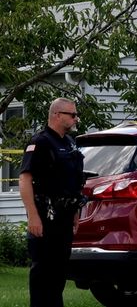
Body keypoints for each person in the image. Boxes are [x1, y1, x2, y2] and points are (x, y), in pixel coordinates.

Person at [19, 98, 85, 307]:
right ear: (57, 115)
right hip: (44, 216)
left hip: (64, 217)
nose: (76, 119)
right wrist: (33, 216)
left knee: (58, 272)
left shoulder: (70, 143)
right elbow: (25, 179)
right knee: (42, 273)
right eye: (72, 115)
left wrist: (75, 212)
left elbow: (73, 181)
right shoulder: (40, 142)